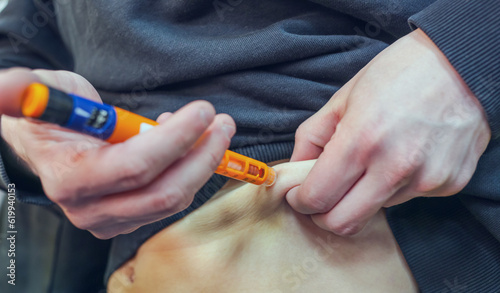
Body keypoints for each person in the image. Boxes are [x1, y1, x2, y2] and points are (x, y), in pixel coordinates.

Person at [0, 0, 498, 292]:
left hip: (399, 200)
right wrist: (24, 140)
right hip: (135, 256)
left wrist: (467, 56)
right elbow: (26, 43)